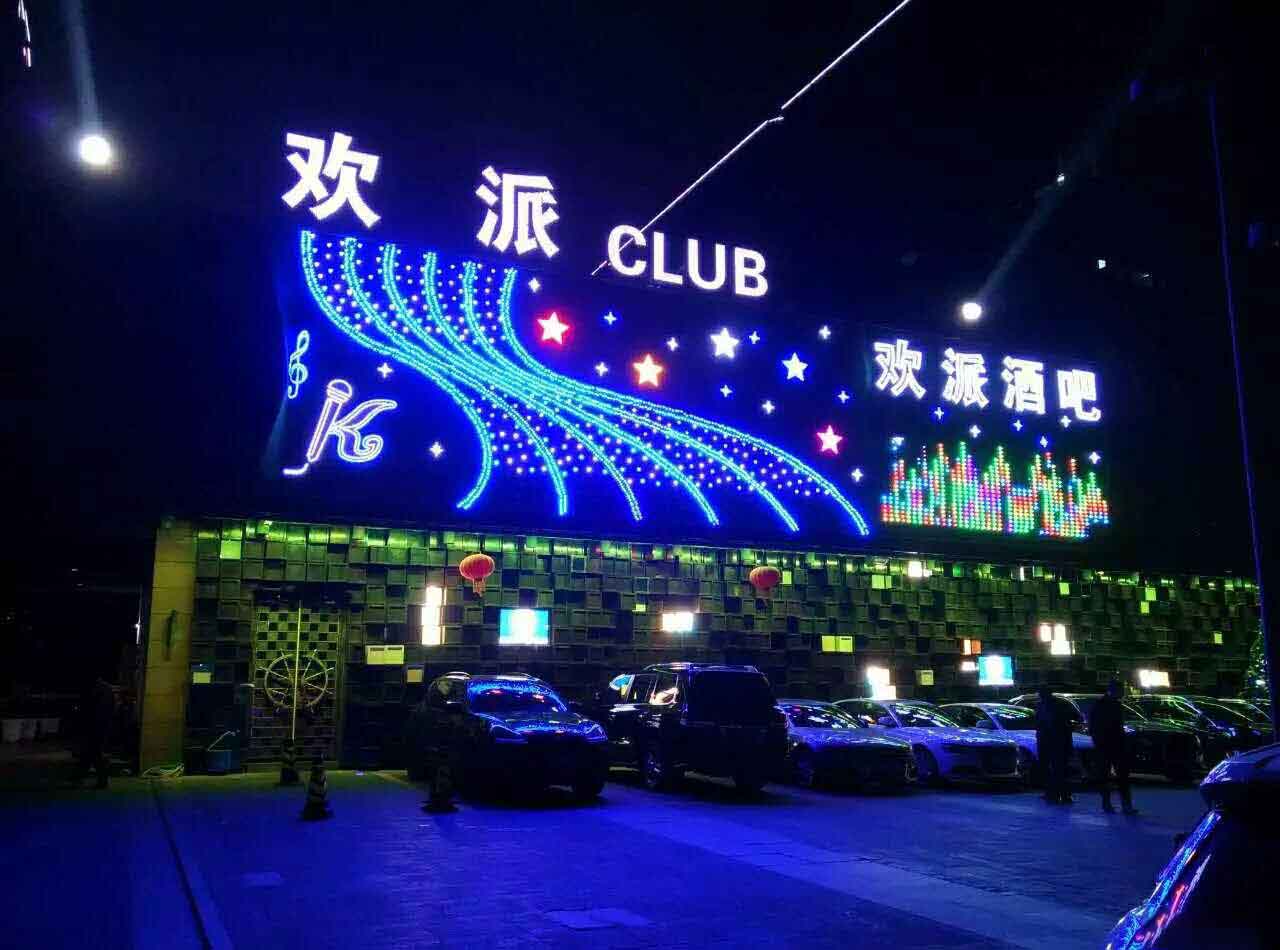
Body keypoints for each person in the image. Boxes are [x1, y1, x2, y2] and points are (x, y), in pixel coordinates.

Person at [1089, 679, 1137, 815]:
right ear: (1114, 691)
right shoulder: (1104, 705)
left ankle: (1112, 804)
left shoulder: (1108, 705)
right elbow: (1096, 727)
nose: (1123, 693)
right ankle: (1116, 804)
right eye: (1121, 690)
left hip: (1111, 745)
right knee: (1114, 776)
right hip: (1109, 745)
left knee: (1115, 776)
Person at [1035, 684, 1073, 804]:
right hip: (1055, 741)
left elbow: (1042, 724)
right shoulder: (1058, 704)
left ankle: (1055, 794)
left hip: (1052, 741)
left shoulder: (1046, 706)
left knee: (1056, 768)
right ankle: (1061, 794)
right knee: (1059, 769)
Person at [76, 675, 116, 789]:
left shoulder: (93, 689)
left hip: (95, 726)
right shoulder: (107, 689)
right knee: (95, 753)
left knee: (93, 753)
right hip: (103, 726)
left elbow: (88, 708)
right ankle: (94, 778)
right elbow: (111, 707)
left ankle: (87, 777)